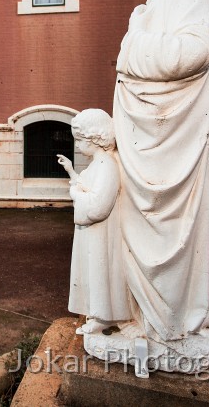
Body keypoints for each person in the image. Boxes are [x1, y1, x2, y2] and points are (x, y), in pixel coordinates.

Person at [113, 0, 209, 365]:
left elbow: (192, 54)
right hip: (141, 147)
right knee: (131, 233)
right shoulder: (149, 8)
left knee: (171, 239)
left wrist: (132, 46)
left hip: (171, 146)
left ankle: (174, 328)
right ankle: (144, 320)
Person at [57, 109, 130, 336]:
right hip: (92, 234)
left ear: (94, 138)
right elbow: (86, 186)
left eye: (80, 140)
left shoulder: (107, 165)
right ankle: (97, 315)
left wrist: (75, 195)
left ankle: (103, 316)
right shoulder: (97, 164)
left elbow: (98, 206)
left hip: (101, 234)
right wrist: (71, 171)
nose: (78, 145)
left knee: (100, 272)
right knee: (92, 272)